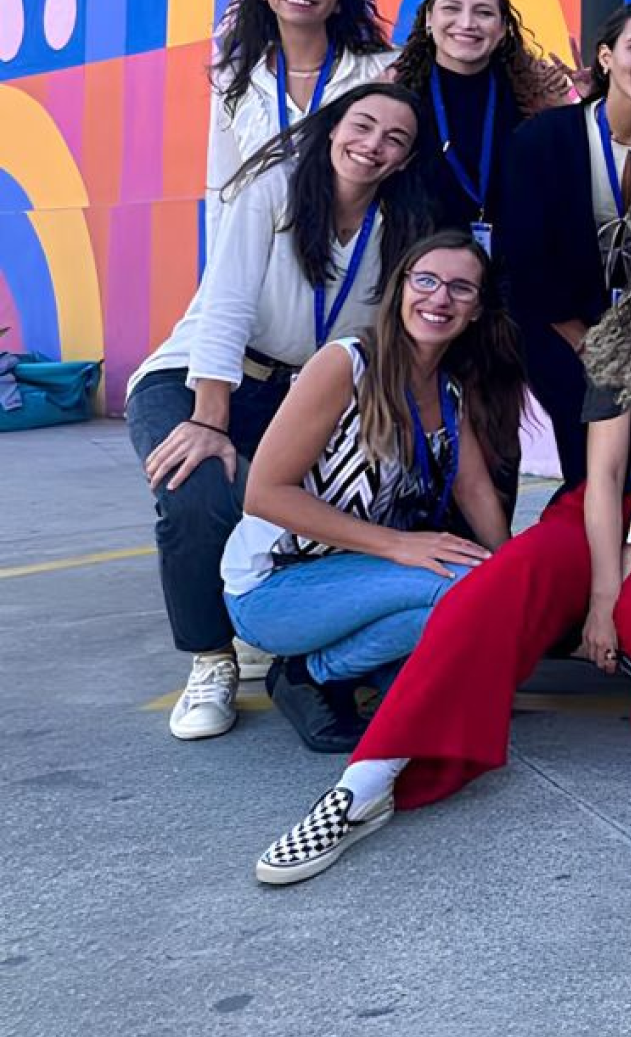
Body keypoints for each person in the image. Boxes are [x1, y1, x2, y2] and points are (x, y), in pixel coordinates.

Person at [251, 196, 631, 885]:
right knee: (494, 587)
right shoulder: (629, 338)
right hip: (597, 510)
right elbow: (602, 475)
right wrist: (602, 591)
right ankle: (367, 781)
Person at [126, 82, 434, 742]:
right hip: (197, 375)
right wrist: (210, 418)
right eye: (363, 125)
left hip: (297, 390)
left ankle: (297, 645)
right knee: (197, 492)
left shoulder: (395, 228)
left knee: (312, 505)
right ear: (331, 129)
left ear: (405, 160)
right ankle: (210, 657)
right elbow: (227, 303)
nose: (372, 144)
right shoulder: (274, 189)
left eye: (394, 139)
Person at [223, 231, 526, 752]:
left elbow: (475, 487)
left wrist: (511, 576)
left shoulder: (450, 387)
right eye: (426, 280)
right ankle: (312, 673)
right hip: (277, 586)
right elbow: (265, 494)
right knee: (463, 593)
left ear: (477, 310)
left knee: (484, 608)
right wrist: (398, 545)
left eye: (460, 288)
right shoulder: (345, 364)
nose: (439, 298)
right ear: (400, 287)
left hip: (365, 578)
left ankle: (372, 669)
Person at [500, 1, 631, 484]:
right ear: (605, 57)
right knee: (589, 463)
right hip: (557, 328)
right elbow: (524, 254)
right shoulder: (544, 137)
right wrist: (584, 340)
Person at [205, 0, 392, 252]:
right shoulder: (234, 82)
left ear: (338, 2)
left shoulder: (380, 72)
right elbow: (223, 188)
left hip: (355, 252)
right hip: (263, 254)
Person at [386, 0, 571, 248]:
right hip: (418, 266)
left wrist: (584, 107)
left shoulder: (536, 96)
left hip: (516, 267)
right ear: (428, 20)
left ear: (502, 29)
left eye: (483, 13)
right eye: (451, 9)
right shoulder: (392, 94)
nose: (467, 23)